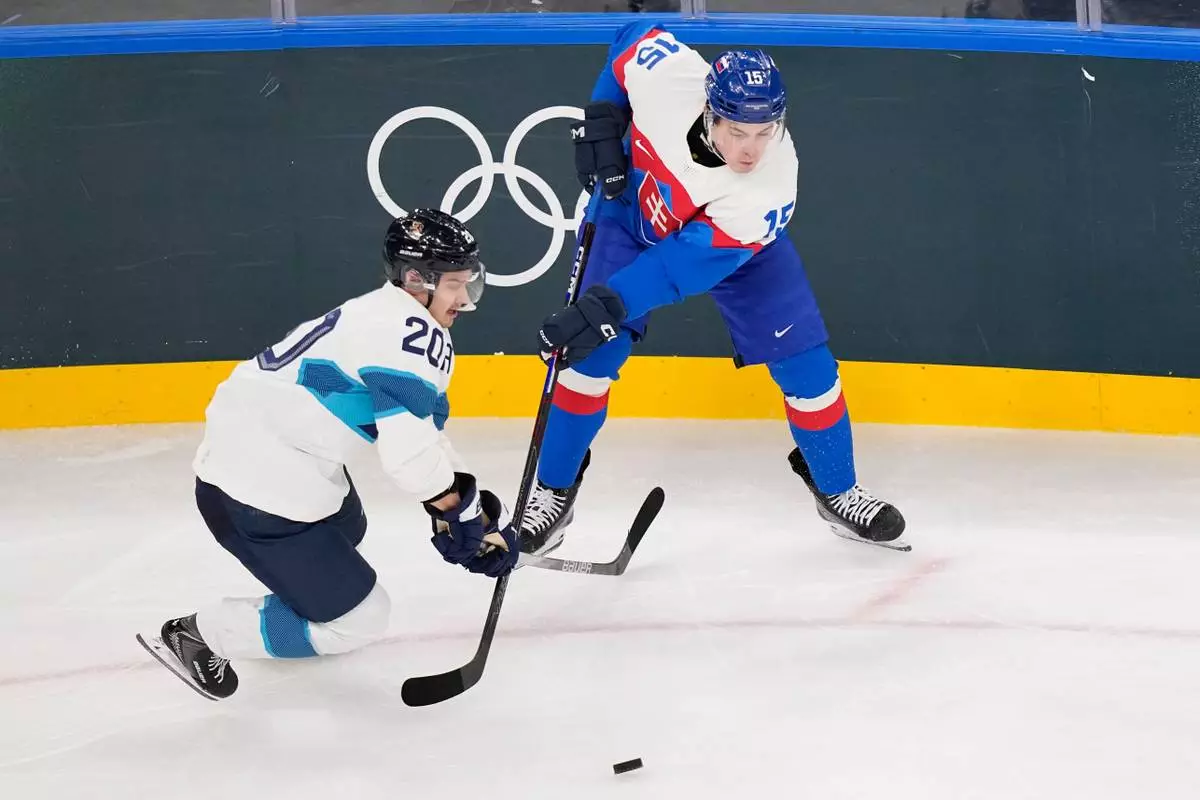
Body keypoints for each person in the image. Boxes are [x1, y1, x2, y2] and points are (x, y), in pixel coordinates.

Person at [522, 22, 908, 558]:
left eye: (765, 132)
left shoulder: (768, 187)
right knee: (588, 362)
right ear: (710, 114)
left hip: (736, 248)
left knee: (808, 369)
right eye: (738, 132)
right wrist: (604, 119)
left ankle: (838, 490)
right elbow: (628, 40)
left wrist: (603, 306)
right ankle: (552, 493)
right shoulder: (670, 77)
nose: (752, 150)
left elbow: (675, 270)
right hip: (627, 217)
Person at [139, 209, 519, 701]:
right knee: (361, 619)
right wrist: (456, 511)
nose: (465, 299)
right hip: (254, 493)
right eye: (454, 286)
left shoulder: (389, 316)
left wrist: (472, 513)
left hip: (268, 461)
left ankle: (307, 598)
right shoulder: (410, 335)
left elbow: (424, 437)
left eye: (469, 283)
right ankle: (201, 634)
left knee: (347, 529)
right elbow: (408, 459)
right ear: (415, 280)